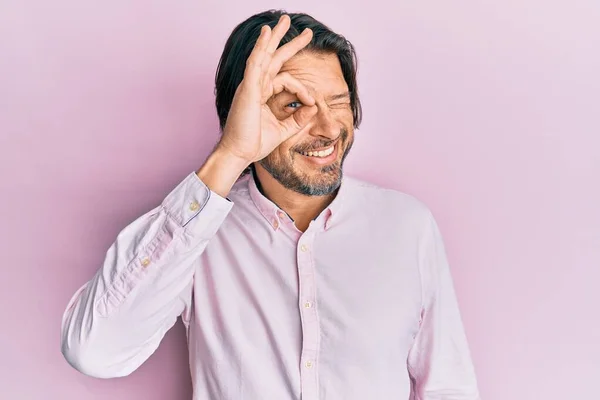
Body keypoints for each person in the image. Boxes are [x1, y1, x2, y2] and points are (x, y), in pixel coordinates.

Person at [61, 10, 480, 400]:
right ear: (241, 114)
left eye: (337, 101)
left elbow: (448, 386)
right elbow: (95, 351)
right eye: (294, 104)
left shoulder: (407, 226)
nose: (328, 127)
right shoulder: (195, 236)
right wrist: (230, 154)